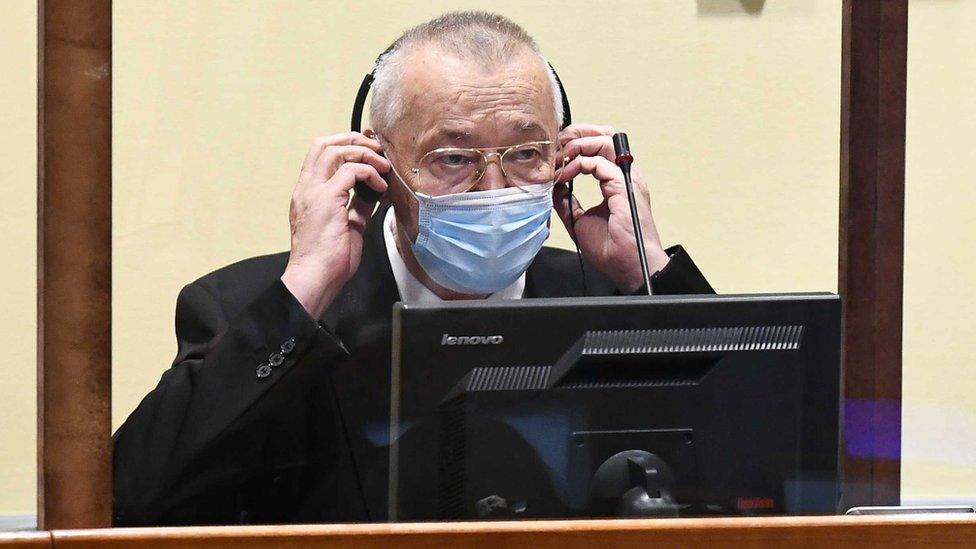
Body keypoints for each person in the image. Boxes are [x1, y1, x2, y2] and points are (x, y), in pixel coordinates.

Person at [112, 11, 713, 526]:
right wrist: (304, 293)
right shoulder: (256, 309)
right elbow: (128, 502)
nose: (492, 187)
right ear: (378, 164)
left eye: (527, 153)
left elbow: (766, 470)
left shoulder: (613, 296)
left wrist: (648, 275)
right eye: (452, 157)